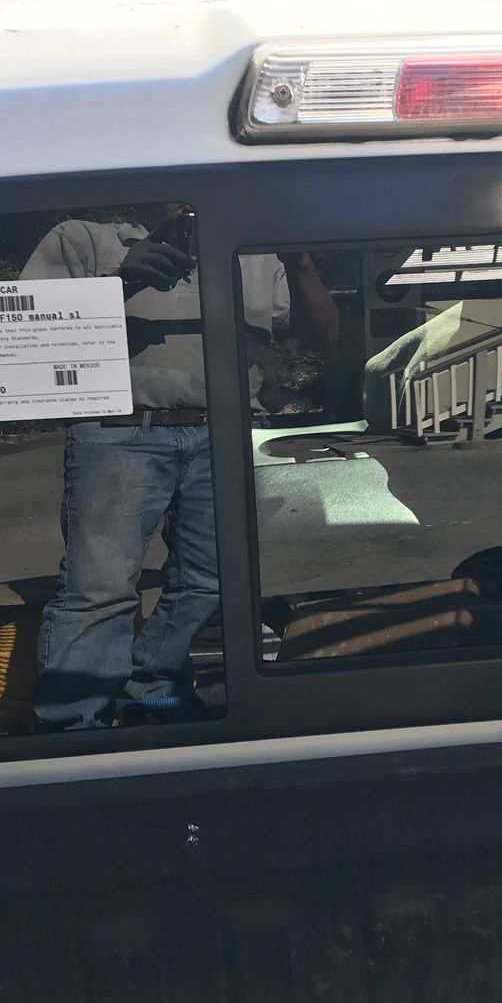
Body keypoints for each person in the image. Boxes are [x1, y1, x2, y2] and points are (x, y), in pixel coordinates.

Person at [22, 205, 337, 728]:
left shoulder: (258, 255)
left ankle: (152, 691)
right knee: (98, 588)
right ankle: (73, 728)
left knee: (215, 580)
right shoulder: (84, 239)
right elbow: (28, 330)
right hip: (118, 429)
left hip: (227, 431)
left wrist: (299, 258)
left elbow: (324, 332)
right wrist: (121, 281)